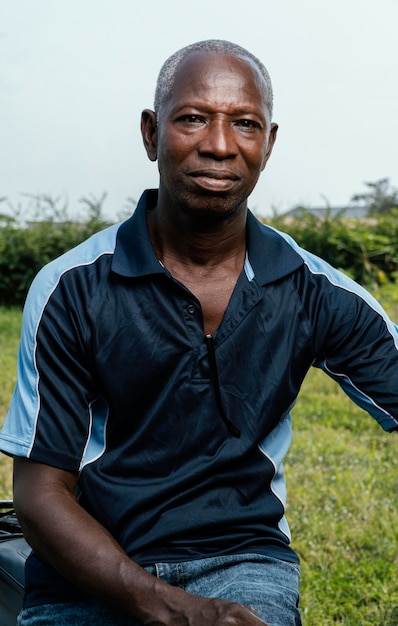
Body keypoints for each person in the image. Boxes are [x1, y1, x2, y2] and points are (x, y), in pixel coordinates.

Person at [0, 39, 397, 626]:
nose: (219, 145)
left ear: (268, 142)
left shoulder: (314, 290)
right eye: (192, 119)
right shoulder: (71, 288)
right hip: (85, 571)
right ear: (150, 133)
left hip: (242, 561)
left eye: (245, 124)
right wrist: (172, 610)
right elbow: (40, 496)